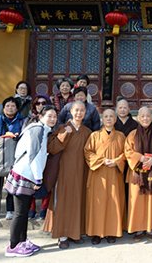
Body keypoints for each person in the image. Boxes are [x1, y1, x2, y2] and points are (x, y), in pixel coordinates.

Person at [4, 106, 57, 257]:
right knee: (20, 213)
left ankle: (23, 241)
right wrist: (38, 178)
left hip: (27, 174)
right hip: (25, 174)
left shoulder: (42, 129)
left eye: (54, 116)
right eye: (49, 116)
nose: (53, 119)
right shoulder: (37, 130)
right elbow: (34, 156)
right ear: (41, 116)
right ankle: (13, 246)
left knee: (24, 211)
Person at [43, 101, 92, 249]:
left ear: (85, 113)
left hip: (81, 172)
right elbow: (51, 148)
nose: (79, 113)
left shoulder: (87, 131)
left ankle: (75, 233)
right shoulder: (63, 128)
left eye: (82, 110)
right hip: (64, 172)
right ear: (71, 111)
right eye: (76, 110)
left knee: (78, 201)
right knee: (63, 202)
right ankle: (62, 235)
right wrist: (63, 135)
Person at [125, 107, 152, 241]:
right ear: (138, 117)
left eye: (148, 116)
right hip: (137, 174)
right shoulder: (132, 134)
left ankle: (149, 228)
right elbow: (127, 151)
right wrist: (140, 158)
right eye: (142, 116)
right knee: (137, 200)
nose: (145, 119)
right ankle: (138, 229)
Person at [84, 109, 126, 245]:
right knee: (98, 203)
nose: (108, 119)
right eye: (106, 116)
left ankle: (111, 231)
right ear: (102, 119)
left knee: (113, 201)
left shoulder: (120, 136)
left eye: (111, 117)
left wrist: (116, 161)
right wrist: (102, 160)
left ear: (115, 120)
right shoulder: (94, 135)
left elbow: (126, 153)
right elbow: (87, 152)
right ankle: (96, 232)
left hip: (114, 174)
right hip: (98, 174)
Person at [23, 94, 52, 220]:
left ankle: (44, 208)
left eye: (43, 103)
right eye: (38, 103)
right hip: (33, 156)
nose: (41, 105)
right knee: (32, 182)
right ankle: (31, 208)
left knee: (47, 182)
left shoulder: (52, 119)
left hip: (48, 156)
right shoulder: (29, 120)